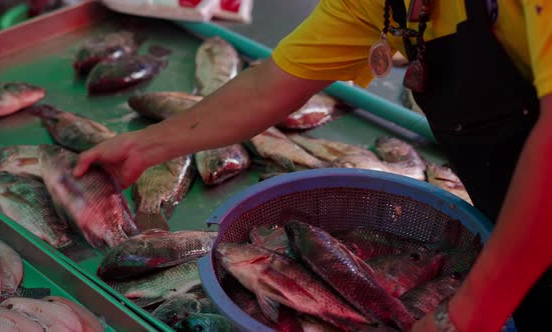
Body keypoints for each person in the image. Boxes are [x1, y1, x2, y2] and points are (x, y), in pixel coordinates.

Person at [74, 0, 552, 331]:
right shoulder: (378, 5)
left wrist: (467, 313)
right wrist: (143, 146)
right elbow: (269, 87)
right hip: (514, 241)